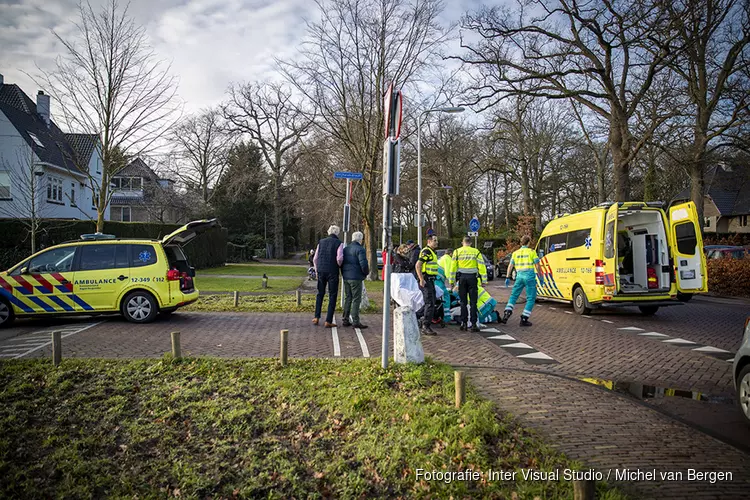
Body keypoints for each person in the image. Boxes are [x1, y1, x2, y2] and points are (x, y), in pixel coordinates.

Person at [500, 235, 544, 327]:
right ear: (528, 242)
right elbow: (537, 265)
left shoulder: (515, 253)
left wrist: (507, 277)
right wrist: (540, 276)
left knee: (513, 296)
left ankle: (507, 313)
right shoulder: (532, 252)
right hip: (529, 277)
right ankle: (524, 318)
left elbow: (510, 266)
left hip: (519, 277)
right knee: (531, 298)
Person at [450, 236, 488, 332]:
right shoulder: (476, 252)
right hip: (472, 279)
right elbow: (482, 266)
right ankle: (474, 324)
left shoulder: (457, 252)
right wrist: (484, 280)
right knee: (473, 303)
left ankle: (464, 324)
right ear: (470, 243)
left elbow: (453, 268)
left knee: (463, 302)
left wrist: (451, 281)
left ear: (462, 242)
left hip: (462, 279)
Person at [313, 225, 344, 327]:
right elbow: (339, 258)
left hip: (321, 270)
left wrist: (317, 270)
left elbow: (315, 258)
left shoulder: (321, 242)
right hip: (332, 271)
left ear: (328, 232)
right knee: (332, 295)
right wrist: (338, 265)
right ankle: (328, 321)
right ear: (337, 233)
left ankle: (316, 317)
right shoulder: (339, 243)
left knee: (320, 294)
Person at [342, 231, 369, 328]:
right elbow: (364, 264)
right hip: (356, 277)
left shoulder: (346, 249)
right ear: (360, 239)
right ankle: (355, 321)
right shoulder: (360, 249)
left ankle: (345, 319)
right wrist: (366, 273)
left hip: (346, 276)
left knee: (348, 297)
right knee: (356, 299)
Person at [415, 234, 440, 336]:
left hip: (430, 280)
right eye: (435, 241)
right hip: (426, 280)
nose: (436, 242)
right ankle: (426, 326)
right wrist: (421, 279)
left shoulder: (432, 252)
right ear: (429, 241)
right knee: (429, 303)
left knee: (430, 302)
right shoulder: (426, 252)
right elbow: (418, 265)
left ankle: (415, 316)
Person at [436, 248, 454, 321]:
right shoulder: (448, 259)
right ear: (451, 254)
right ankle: (446, 317)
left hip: (435, 279)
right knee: (445, 296)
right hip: (438, 280)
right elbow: (448, 273)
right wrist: (452, 282)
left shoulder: (442, 258)